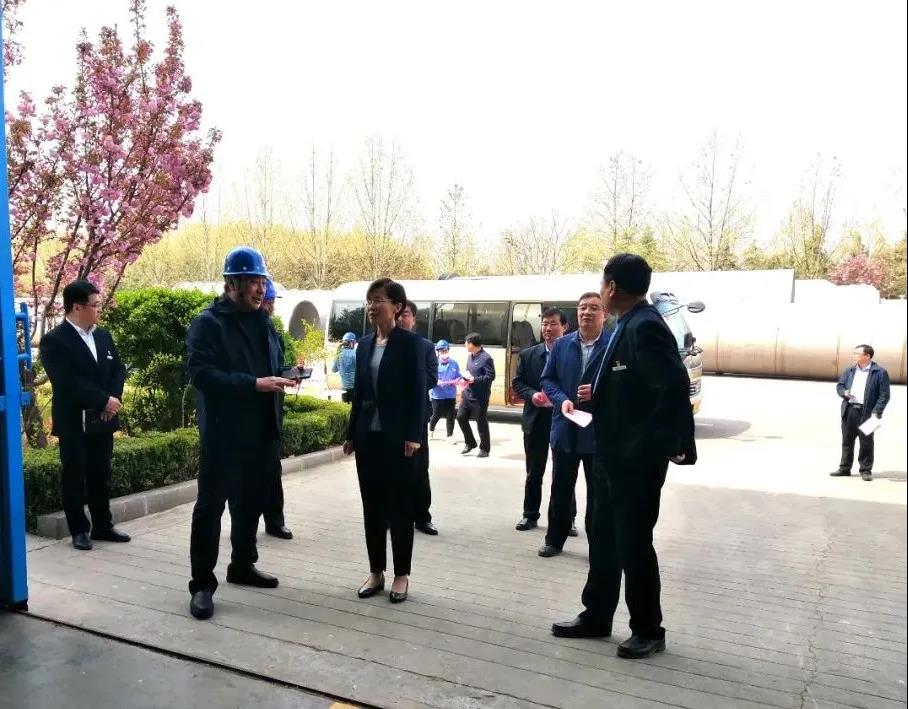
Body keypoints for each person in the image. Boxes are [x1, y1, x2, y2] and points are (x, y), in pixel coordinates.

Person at [552, 253, 697, 660]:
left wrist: (657, 447)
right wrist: (598, 393)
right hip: (609, 455)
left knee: (633, 544)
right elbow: (632, 383)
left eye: (603, 283)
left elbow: (671, 388)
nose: (600, 291)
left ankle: (648, 629)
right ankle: (597, 615)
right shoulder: (626, 323)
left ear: (612, 286)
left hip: (633, 463)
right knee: (603, 537)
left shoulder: (646, 326)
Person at [185, 246, 295, 620]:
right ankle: (202, 585)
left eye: (262, 281)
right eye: (252, 281)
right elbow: (202, 375)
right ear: (232, 284)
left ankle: (243, 565)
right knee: (210, 508)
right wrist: (253, 384)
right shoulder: (209, 324)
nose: (260, 289)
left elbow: (269, 367)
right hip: (224, 434)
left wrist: (285, 376)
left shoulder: (264, 322)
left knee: (250, 504)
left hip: (262, 432)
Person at [343, 278, 426, 604]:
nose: (372, 306)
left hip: (399, 439)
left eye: (379, 299)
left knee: (400, 506)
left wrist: (414, 435)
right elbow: (360, 393)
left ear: (397, 307)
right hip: (369, 438)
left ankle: (401, 574)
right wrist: (351, 434)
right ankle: (376, 571)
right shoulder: (364, 345)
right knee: (372, 507)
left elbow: (417, 393)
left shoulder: (411, 344)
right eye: (369, 300)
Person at [39, 279, 130, 551]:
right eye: (95, 305)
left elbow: (118, 369)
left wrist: (112, 400)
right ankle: (79, 529)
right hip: (74, 420)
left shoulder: (103, 336)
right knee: (75, 475)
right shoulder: (54, 341)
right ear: (77, 307)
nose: (99, 309)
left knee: (101, 473)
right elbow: (66, 381)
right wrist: (103, 400)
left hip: (103, 418)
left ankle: (103, 525)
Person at [537, 294, 609, 557]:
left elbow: (626, 385)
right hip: (565, 429)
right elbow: (547, 380)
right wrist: (562, 400)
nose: (587, 312)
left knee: (598, 494)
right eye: (582, 308)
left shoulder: (614, 345)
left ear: (605, 314)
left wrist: (599, 392)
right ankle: (554, 540)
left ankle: (598, 548)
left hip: (597, 433)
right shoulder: (562, 345)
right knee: (560, 489)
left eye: (594, 308)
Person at [512, 308, 567, 532]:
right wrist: (532, 395)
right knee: (534, 472)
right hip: (536, 420)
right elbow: (518, 383)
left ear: (564, 327)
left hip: (562, 419)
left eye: (553, 324)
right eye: (545, 324)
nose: (548, 328)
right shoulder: (529, 354)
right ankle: (530, 514)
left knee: (563, 473)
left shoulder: (571, 353)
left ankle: (567, 518)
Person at [397, 300, 440, 536]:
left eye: (406, 314)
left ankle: (422, 517)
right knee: (392, 469)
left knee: (419, 469)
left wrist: (405, 381)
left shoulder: (425, 347)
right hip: (390, 418)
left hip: (416, 417)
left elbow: (432, 378)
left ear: (413, 319)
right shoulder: (384, 344)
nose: (401, 319)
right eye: (398, 314)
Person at [258, 277, 294, 540]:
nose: (272, 307)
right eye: (269, 302)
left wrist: (291, 374)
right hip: (252, 412)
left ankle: (275, 521)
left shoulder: (272, 331)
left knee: (272, 470)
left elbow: (278, 365)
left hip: (272, 412)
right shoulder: (246, 332)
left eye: (271, 301)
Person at [831, 344, 891, 481]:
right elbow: (840, 385)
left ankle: (865, 470)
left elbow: (884, 395)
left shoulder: (880, 372)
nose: (854, 356)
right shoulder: (850, 370)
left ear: (867, 356)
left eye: (857, 354)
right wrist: (844, 392)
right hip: (850, 410)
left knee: (866, 442)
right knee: (847, 441)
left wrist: (877, 411)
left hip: (868, 413)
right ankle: (844, 468)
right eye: (854, 353)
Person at [456, 332, 495, 458]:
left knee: (481, 422)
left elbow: (490, 376)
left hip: (480, 397)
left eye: (466, 342)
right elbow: (469, 373)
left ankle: (484, 449)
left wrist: (475, 380)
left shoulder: (486, 358)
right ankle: (470, 442)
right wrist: (464, 380)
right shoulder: (470, 357)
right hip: (467, 394)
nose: (465, 345)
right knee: (460, 417)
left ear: (472, 344)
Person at [429, 339, 461, 441]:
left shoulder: (454, 363)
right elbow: (429, 376)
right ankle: (431, 431)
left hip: (450, 394)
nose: (444, 353)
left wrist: (458, 380)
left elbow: (458, 376)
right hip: (437, 394)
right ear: (438, 352)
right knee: (437, 414)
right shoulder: (434, 363)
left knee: (450, 415)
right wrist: (436, 381)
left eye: (445, 350)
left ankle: (449, 436)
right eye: (441, 351)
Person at [333, 332, 358, 403]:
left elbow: (333, 370)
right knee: (354, 407)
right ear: (352, 342)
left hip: (343, 387)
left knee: (344, 407)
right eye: (354, 342)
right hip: (354, 387)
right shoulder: (355, 354)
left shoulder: (339, 354)